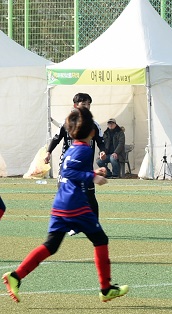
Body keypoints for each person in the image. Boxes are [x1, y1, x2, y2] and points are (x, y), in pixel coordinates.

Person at [2, 107, 128, 303]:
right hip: (75, 204)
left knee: (51, 245)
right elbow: (70, 173)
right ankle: (105, 288)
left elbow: (70, 169)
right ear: (92, 130)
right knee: (100, 239)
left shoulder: (73, 148)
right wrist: (92, 177)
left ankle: (16, 276)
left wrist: (96, 172)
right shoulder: (85, 149)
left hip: (61, 203)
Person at [44, 93, 106, 235]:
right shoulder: (68, 122)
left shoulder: (93, 125)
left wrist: (103, 151)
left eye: (89, 104)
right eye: (84, 104)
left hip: (85, 166)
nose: (87, 107)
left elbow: (100, 141)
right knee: (66, 192)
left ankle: (94, 224)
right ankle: (70, 224)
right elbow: (56, 138)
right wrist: (48, 152)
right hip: (68, 165)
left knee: (90, 196)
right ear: (75, 105)